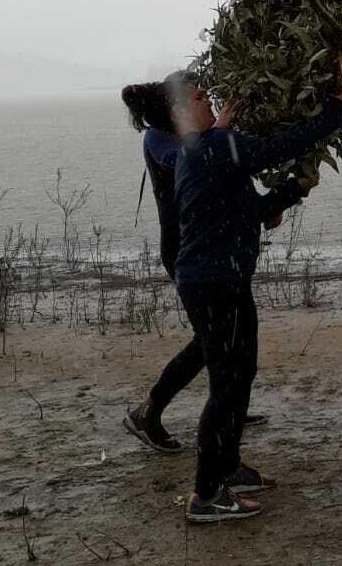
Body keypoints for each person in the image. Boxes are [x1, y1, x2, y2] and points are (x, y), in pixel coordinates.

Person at [171, 66, 342, 522]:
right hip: (213, 282)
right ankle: (206, 495)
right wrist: (334, 114)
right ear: (180, 111)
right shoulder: (210, 147)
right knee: (226, 385)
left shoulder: (204, 152)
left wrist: (292, 190)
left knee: (242, 373)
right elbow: (277, 147)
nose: (210, 102)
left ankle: (228, 467)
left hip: (223, 278)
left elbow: (249, 211)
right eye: (199, 98)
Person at [119, 74, 274, 453]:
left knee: (234, 334)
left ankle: (230, 406)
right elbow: (191, 162)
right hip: (185, 250)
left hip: (215, 247)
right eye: (195, 97)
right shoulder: (158, 139)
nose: (203, 102)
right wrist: (218, 131)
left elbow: (225, 174)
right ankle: (148, 411)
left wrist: (259, 205)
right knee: (211, 340)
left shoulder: (198, 134)